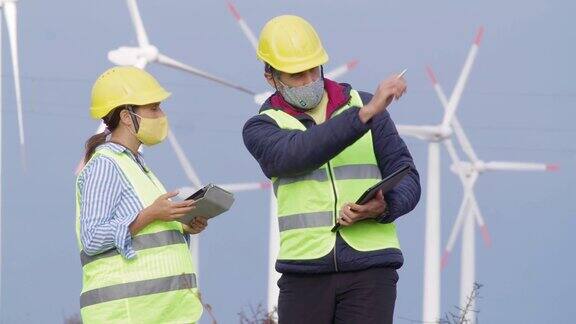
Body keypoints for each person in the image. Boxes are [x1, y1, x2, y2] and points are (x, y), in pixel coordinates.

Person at [242, 15, 421, 323]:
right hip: (304, 272)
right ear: (269, 76)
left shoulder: (366, 105)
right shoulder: (262, 128)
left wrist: (383, 207)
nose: (308, 79)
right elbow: (299, 153)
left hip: (370, 269)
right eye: (296, 74)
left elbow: (408, 178)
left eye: (313, 68)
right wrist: (363, 115)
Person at [75, 66, 206, 323]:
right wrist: (149, 215)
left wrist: (182, 225)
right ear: (126, 116)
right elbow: (92, 237)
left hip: (159, 311)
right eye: (154, 108)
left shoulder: (136, 165)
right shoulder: (105, 165)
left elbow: (147, 235)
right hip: (127, 313)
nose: (162, 115)